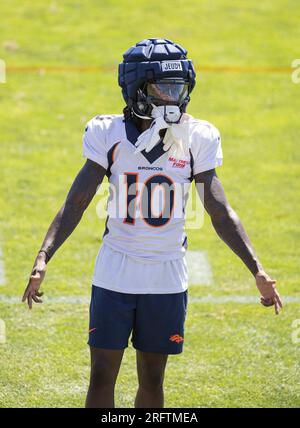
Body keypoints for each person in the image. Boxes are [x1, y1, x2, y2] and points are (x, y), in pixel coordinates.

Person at [22, 38, 283, 408]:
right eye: (163, 87)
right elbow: (76, 202)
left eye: (179, 88)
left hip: (166, 274)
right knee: (101, 374)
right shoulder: (108, 133)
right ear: (137, 89)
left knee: (152, 377)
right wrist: (43, 256)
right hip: (116, 269)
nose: (173, 97)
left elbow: (220, 211)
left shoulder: (196, 137)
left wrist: (256, 268)